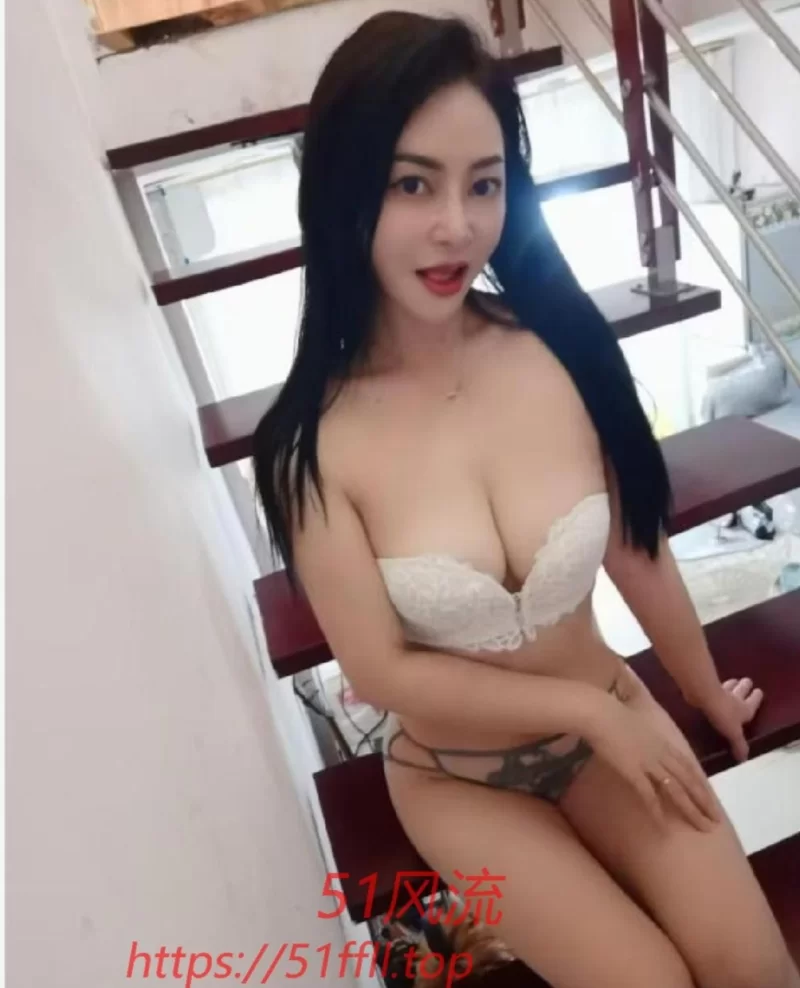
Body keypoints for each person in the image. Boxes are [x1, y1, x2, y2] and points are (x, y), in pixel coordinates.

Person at [252, 12, 799, 988]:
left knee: (757, 972)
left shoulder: (558, 346)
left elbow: (634, 546)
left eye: (484, 183)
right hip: (460, 782)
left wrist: (700, 686)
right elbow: (379, 669)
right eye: (411, 183)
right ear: (342, 190)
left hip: (608, 716)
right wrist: (585, 712)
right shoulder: (311, 445)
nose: (456, 226)